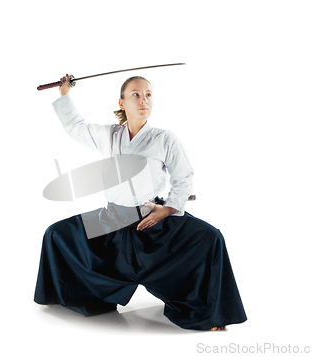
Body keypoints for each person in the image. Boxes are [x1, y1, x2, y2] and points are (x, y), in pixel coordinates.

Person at [33, 74, 247, 331]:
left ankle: (209, 313)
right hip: (111, 220)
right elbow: (75, 126)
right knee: (57, 234)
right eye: (135, 94)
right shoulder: (108, 135)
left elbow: (184, 177)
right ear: (122, 102)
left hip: (149, 219)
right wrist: (64, 94)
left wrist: (168, 208)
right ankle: (61, 294)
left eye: (148, 94)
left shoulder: (164, 139)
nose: (143, 99)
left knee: (211, 238)